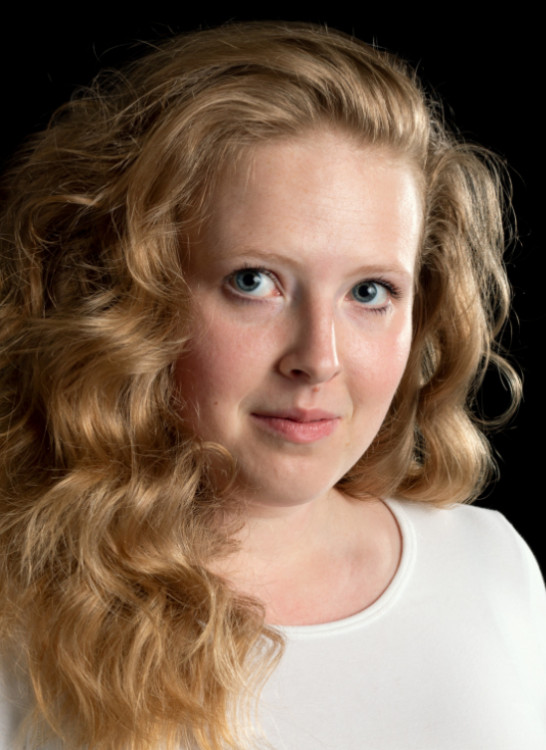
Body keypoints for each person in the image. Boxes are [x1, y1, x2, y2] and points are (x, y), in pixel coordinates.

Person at [0, 21, 544, 750]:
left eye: (370, 292)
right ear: (128, 293)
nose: (318, 359)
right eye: (254, 281)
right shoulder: (16, 614)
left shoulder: (491, 568)